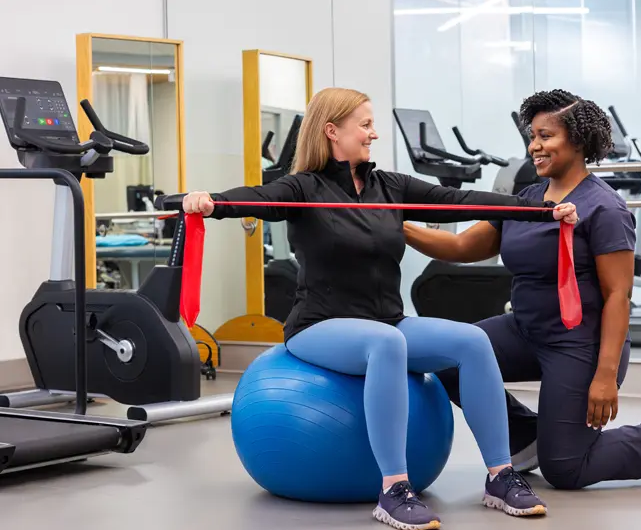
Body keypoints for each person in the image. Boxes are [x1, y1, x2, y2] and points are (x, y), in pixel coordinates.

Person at [182, 87, 579, 528]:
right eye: (365, 124)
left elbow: (460, 202)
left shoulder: (389, 186)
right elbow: (259, 196)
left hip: (386, 320)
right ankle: (393, 489)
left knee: (472, 340)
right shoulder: (303, 188)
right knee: (386, 342)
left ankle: (500, 475)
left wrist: (539, 210)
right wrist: (212, 202)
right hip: (320, 326)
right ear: (332, 131)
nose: (374, 133)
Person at [403, 89, 641, 491]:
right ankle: (528, 436)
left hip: (580, 343)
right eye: (532, 136)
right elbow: (463, 247)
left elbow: (619, 297)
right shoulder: (528, 199)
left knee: (566, 469)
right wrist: (399, 227)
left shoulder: (605, 208)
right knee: (445, 356)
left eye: (546, 136)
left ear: (578, 141)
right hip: (525, 330)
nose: (535, 146)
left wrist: (604, 375)